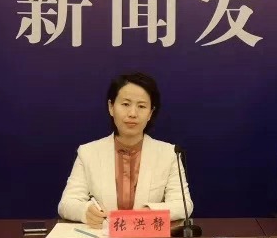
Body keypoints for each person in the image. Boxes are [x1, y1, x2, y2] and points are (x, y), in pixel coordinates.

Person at [58, 72, 193, 228]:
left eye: (141, 106)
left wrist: (149, 212)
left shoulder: (169, 154)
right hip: (103, 237)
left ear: (150, 113)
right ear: (111, 107)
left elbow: (183, 205)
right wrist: (85, 211)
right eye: (125, 104)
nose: (132, 113)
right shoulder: (88, 152)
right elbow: (66, 204)